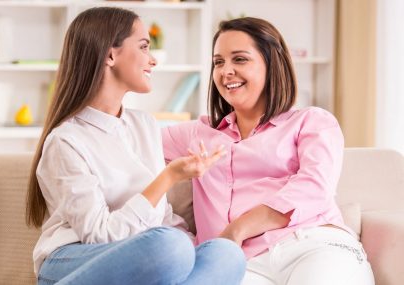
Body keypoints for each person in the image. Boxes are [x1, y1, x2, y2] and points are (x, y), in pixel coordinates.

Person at [25, 7, 246, 285]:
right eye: (143, 47)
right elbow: (99, 235)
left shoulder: (145, 125)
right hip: (73, 259)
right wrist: (168, 178)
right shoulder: (66, 141)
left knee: (225, 253)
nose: (152, 60)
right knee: (170, 246)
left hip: (142, 257)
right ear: (110, 55)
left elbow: (162, 219)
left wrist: (193, 251)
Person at [162, 17, 374, 284]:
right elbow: (124, 137)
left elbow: (315, 187)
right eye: (218, 62)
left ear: (271, 64)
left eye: (239, 59)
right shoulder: (197, 134)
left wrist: (237, 229)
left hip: (313, 244)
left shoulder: (311, 122)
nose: (226, 71)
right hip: (240, 264)